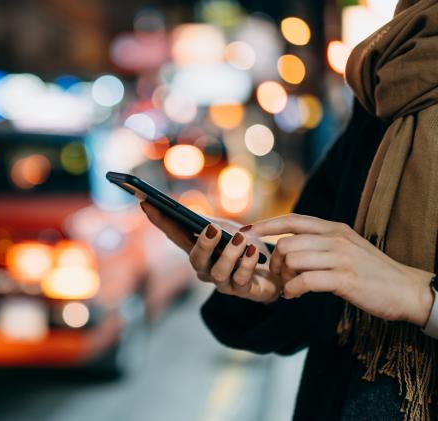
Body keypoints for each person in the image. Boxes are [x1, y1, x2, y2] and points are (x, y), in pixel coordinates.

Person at [140, 1, 438, 419]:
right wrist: (273, 284)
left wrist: (424, 298)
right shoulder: (388, 81)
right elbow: (325, 303)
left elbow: (387, 285)